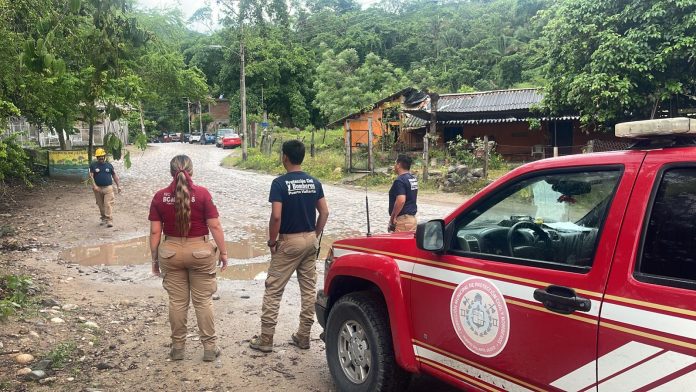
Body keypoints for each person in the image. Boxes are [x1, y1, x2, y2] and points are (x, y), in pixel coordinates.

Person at [249, 140, 329, 353]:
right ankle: (303, 336)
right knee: (308, 290)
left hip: (288, 242)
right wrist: (315, 234)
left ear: (285, 156)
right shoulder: (314, 182)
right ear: (302, 157)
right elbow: (325, 212)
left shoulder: (279, 183)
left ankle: (266, 339)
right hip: (310, 240)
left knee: (274, 289)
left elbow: (276, 216)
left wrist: (272, 242)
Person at [148, 155, 228, 362]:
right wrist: (224, 252)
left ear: (170, 172)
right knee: (203, 301)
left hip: (170, 252)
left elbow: (155, 233)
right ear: (191, 171)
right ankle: (210, 349)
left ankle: (178, 349)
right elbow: (215, 226)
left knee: (177, 302)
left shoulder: (159, 197)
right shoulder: (202, 194)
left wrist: (155, 259)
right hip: (200, 252)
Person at [89, 148, 121, 228]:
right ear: (96, 157)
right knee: (100, 205)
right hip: (98, 189)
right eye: (99, 156)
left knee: (108, 204)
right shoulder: (93, 165)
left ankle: (109, 219)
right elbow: (91, 176)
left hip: (108, 188)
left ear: (104, 156)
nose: (101, 158)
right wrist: (94, 186)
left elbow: (114, 176)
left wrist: (118, 186)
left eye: (102, 156)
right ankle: (103, 218)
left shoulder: (109, 165)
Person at [388, 154, 418, 232]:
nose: (394, 166)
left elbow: (401, 200)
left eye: (395, 163)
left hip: (403, 221)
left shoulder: (400, 180)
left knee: (397, 244)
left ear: (398, 165)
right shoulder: (412, 179)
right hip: (411, 220)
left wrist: (394, 216)